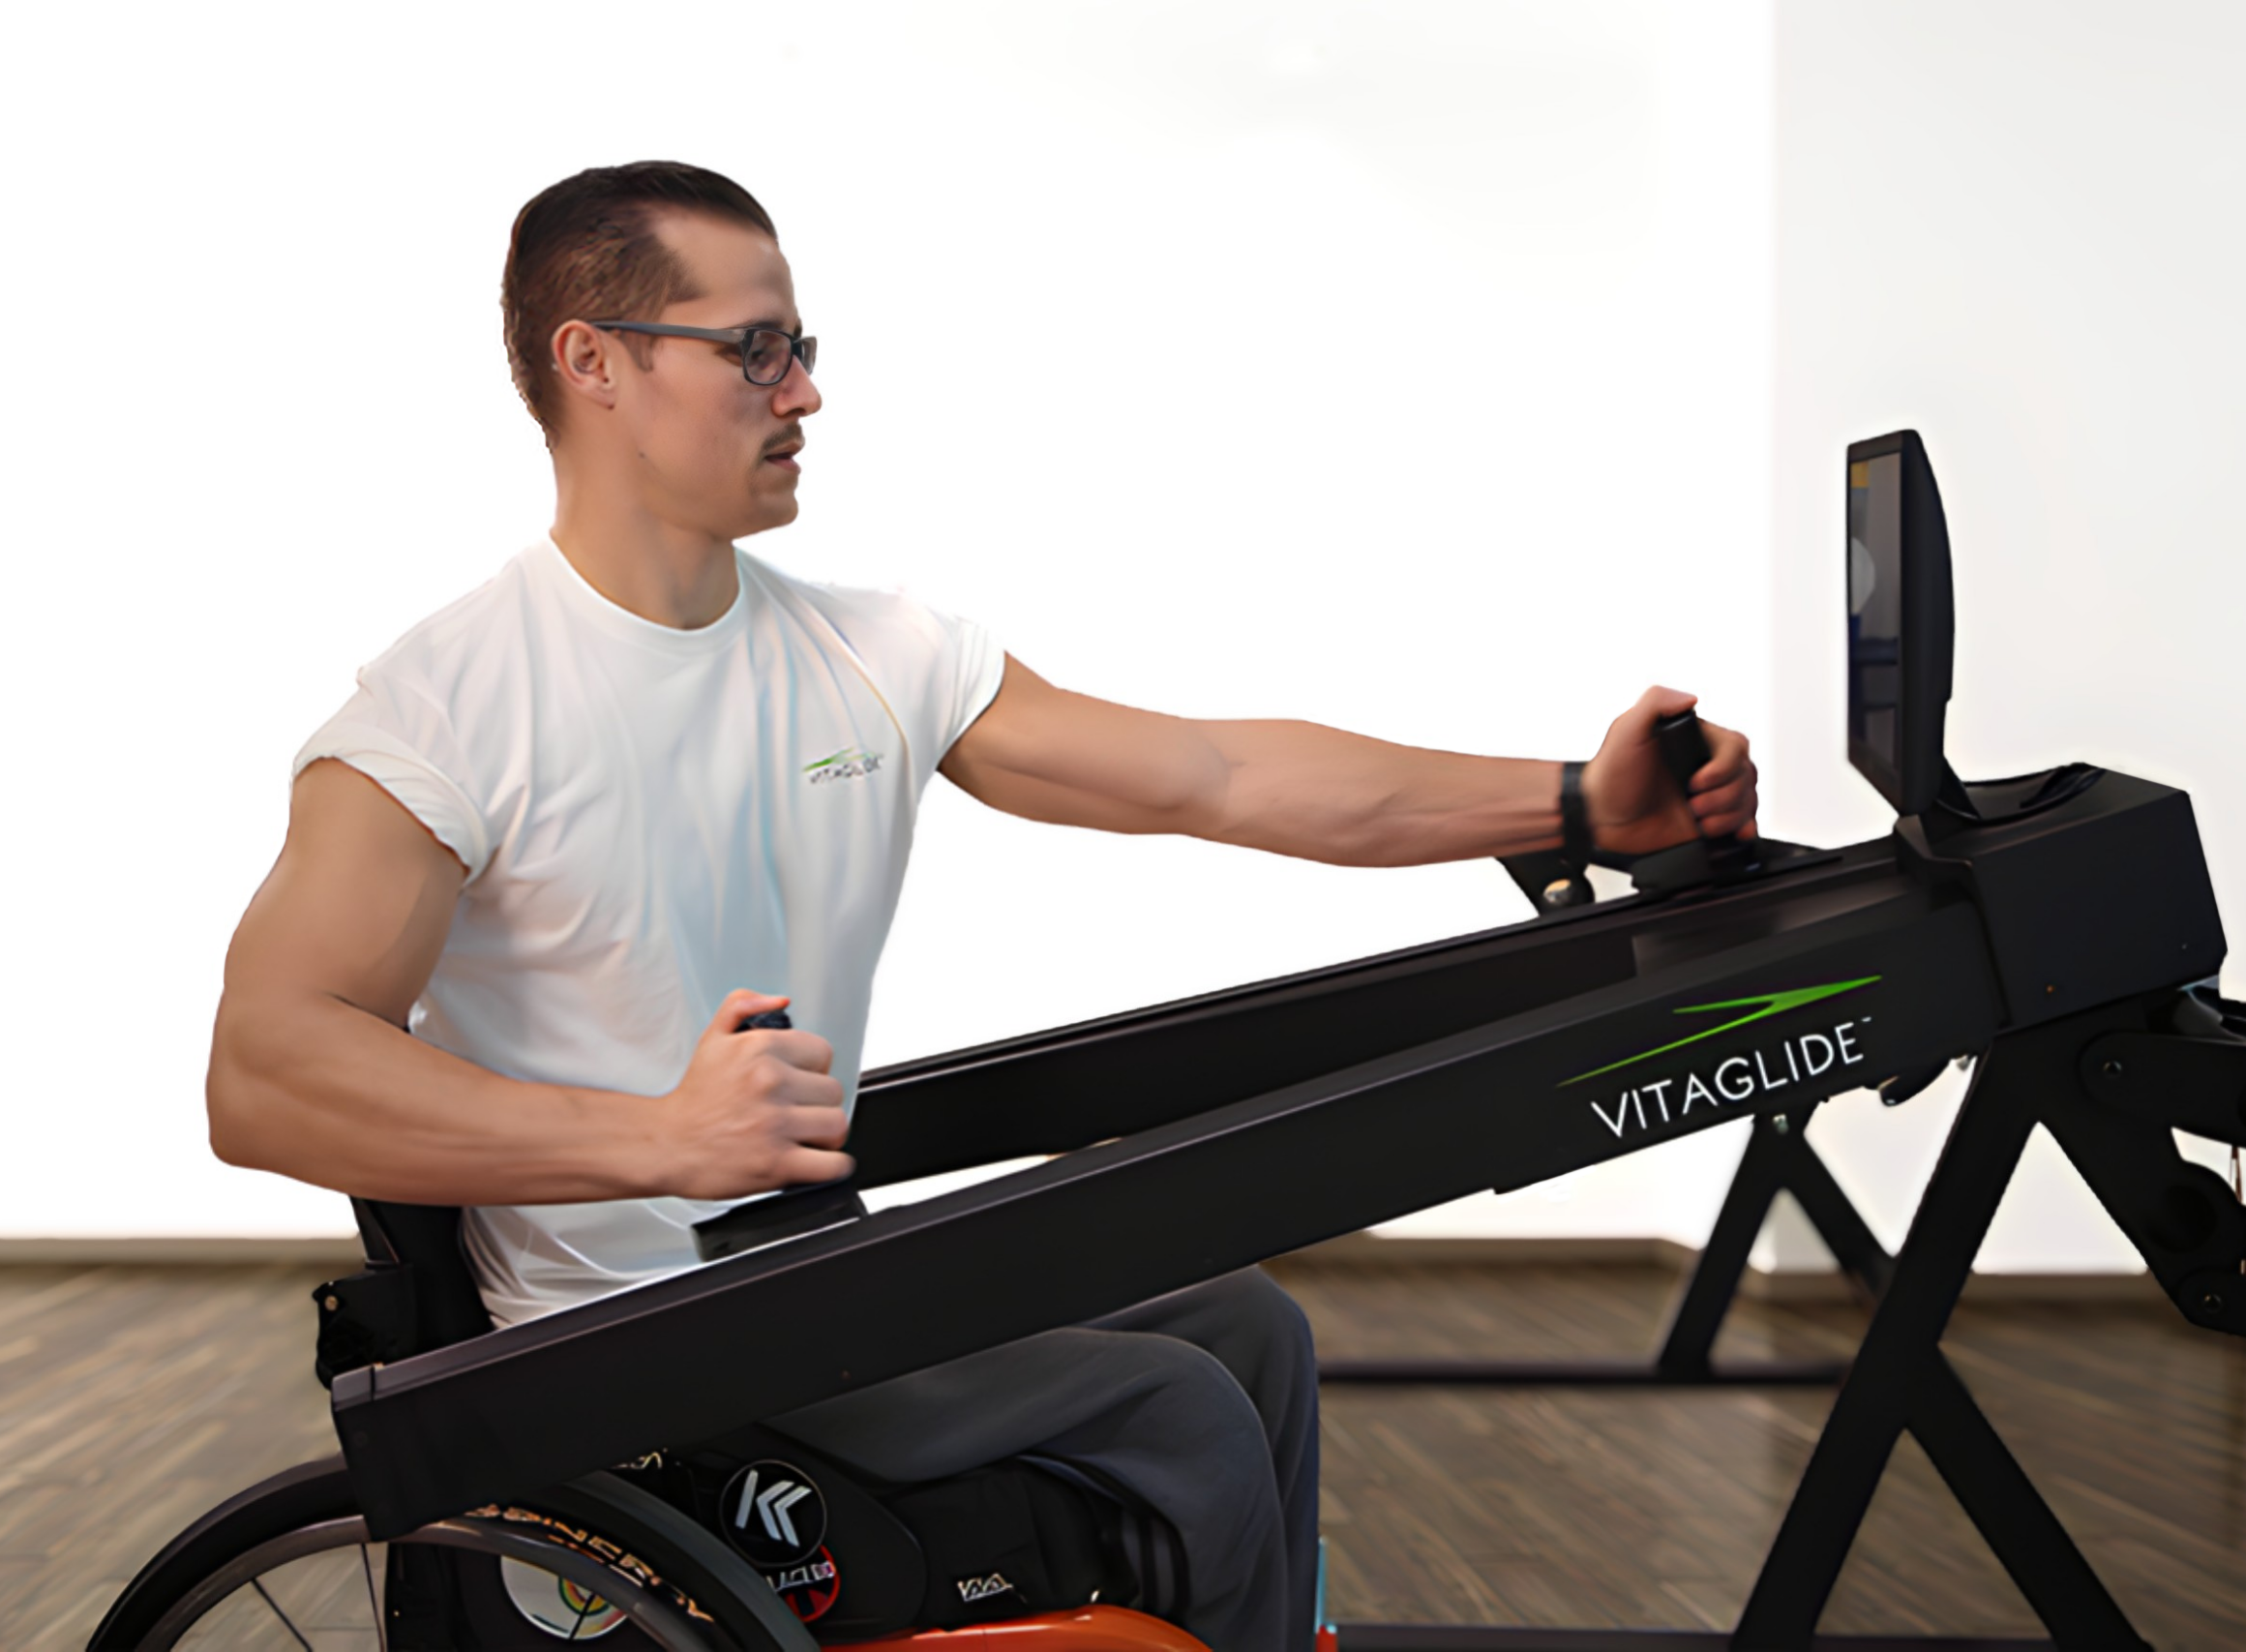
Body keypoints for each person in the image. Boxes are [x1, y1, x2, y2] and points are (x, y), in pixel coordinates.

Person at [205, 161, 1759, 1652]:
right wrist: (654, 1141)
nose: (803, 390)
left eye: (800, 346)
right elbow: (264, 1065)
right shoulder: (450, 708)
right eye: (755, 348)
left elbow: (1214, 774)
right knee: (1178, 1411)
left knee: (1250, 1330)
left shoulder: (871, 653)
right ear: (593, 362)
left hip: (799, 1270)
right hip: (630, 1341)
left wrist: (1574, 804)